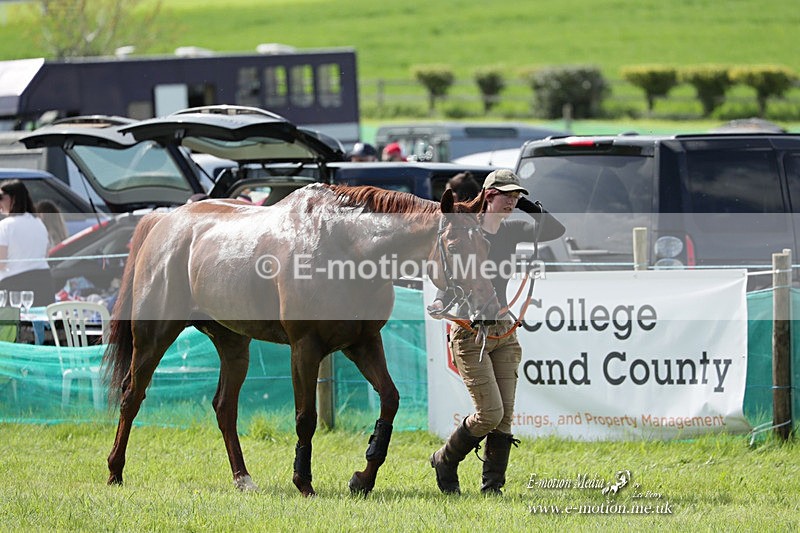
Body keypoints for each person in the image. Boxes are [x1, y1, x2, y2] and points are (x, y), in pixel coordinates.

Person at [427, 168, 566, 495]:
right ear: (489, 194)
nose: (513, 200)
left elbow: (556, 229)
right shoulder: (465, 231)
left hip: (504, 330)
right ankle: (444, 459)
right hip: (469, 331)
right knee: (489, 413)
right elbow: (445, 272)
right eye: (508, 195)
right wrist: (439, 299)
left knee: (503, 418)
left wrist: (526, 206)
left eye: (517, 195)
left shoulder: (513, 229)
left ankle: (493, 489)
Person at [0, 180, 55, 307]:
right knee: (41, 326)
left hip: (14, 286)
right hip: (44, 282)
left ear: (14, 198)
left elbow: (1, 263)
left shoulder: (5, 226)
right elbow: (45, 255)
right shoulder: (39, 223)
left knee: (11, 327)